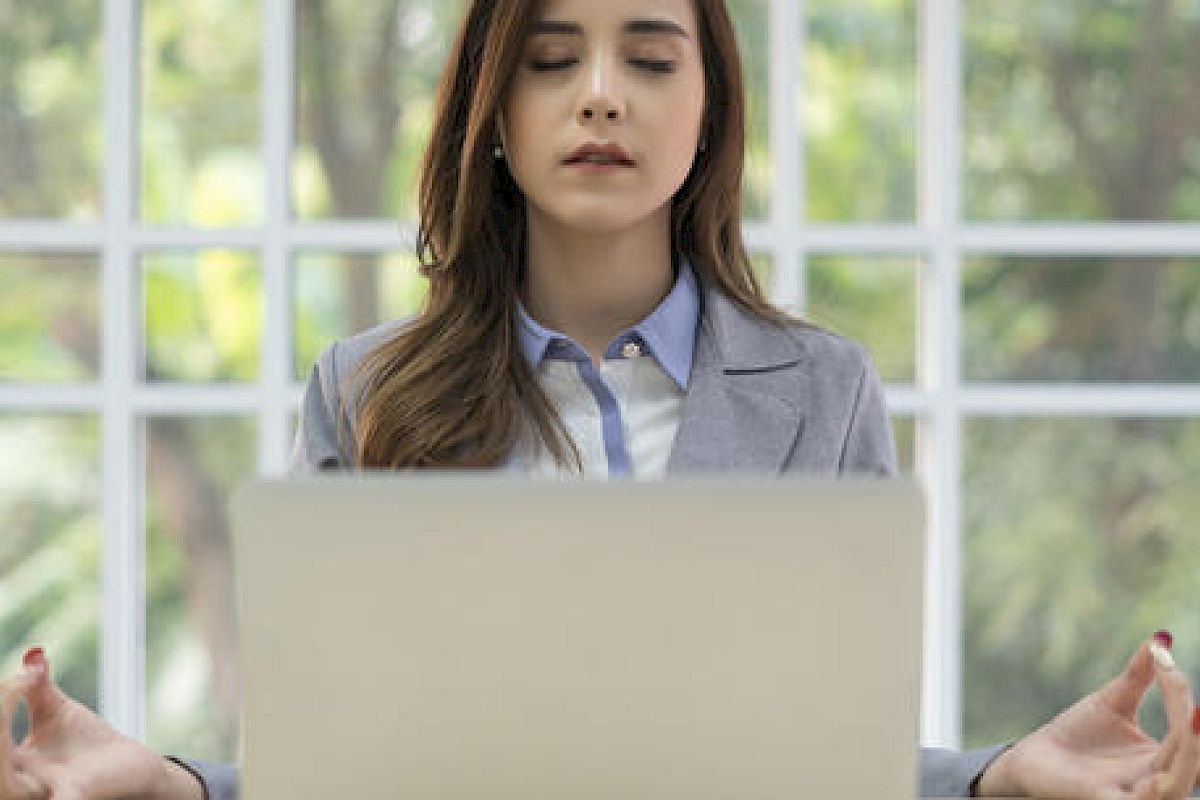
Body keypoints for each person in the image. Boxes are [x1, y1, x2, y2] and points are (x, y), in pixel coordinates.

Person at [3, 0, 1199, 797]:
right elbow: (337, 764)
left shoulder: (823, 391)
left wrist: (998, 777)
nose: (601, 95)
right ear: (493, 112)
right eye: (552, 57)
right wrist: (172, 782)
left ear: (710, 110)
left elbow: (831, 763)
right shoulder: (364, 390)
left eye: (651, 57)